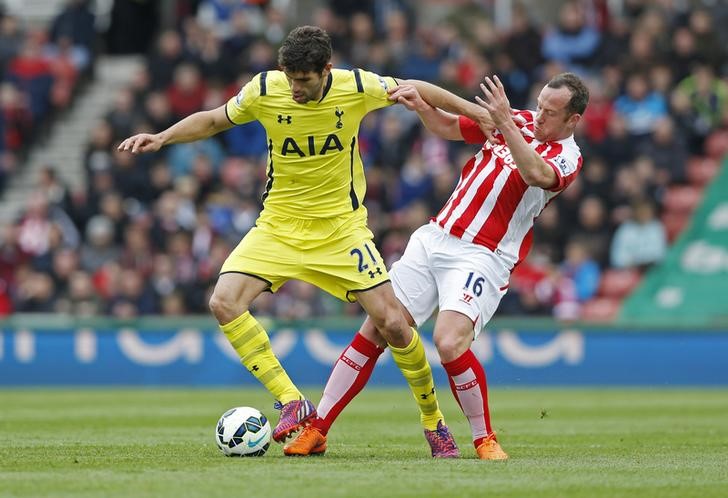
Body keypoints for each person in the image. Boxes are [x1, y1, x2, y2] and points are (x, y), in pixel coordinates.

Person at [118, 26, 490, 456]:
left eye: (304, 81)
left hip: (340, 230)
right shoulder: (264, 88)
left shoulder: (355, 86)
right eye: (289, 78)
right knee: (223, 301)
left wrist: (475, 113)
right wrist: (163, 136)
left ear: (326, 70)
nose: (294, 88)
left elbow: (416, 86)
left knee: (393, 324)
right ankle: (292, 401)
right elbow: (216, 119)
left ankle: (434, 422)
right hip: (278, 226)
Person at [284, 73, 589, 459]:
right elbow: (447, 126)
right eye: (540, 104)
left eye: (551, 111)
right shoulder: (519, 119)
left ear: (572, 120)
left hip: (483, 255)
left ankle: (484, 439)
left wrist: (507, 122)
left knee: (448, 341)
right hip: (435, 237)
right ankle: (318, 429)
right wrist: (424, 108)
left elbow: (536, 175)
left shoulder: (567, 156)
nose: (540, 114)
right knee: (378, 326)